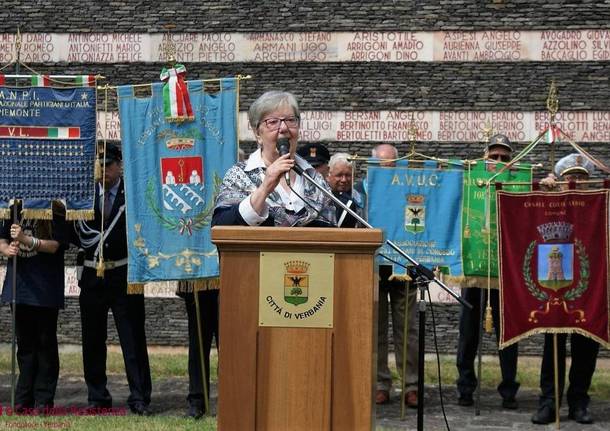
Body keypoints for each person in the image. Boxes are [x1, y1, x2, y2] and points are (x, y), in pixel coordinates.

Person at [73, 143, 152, 415]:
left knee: (132, 340)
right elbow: (76, 235)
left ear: (119, 166)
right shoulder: (83, 196)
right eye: (100, 164)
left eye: (108, 164)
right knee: (92, 341)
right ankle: (97, 397)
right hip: (93, 276)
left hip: (123, 274)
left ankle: (139, 396)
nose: (103, 169)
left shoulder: (133, 197)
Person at [532, 153, 599, 425]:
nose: (575, 182)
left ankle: (579, 401)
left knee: (586, 348)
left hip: (590, 287)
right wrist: (541, 188)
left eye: (581, 178)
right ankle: (549, 401)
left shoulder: (599, 204)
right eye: (570, 177)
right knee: (553, 347)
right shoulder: (551, 201)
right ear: (561, 181)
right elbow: (525, 211)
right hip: (557, 289)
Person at [456, 134, 520, 409]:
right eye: (493, 157)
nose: (498, 162)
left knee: (508, 335)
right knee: (468, 333)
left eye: (504, 158)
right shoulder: (471, 179)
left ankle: (508, 390)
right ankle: (466, 387)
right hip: (475, 265)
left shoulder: (519, 183)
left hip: (506, 270)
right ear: (485, 157)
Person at [212, 90, 336, 227]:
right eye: (272, 122)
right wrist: (264, 188)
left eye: (290, 120)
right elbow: (221, 227)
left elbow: (331, 235)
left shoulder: (314, 178)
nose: (283, 128)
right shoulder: (240, 175)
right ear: (257, 133)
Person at [364, 143, 419, 408]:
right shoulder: (365, 191)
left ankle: (411, 385)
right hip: (374, 267)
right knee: (377, 329)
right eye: (383, 166)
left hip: (403, 267)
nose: (388, 170)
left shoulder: (408, 188)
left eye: (392, 165)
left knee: (406, 329)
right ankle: (380, 383)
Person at [0, 205, 69, 412]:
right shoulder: (12, 209)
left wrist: (25, 240)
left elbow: (56, 245)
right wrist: (6, 249)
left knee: (45, 344)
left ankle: (44, 399)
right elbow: (1, 239)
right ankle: (23, 397)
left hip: (45, 287)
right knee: (25, 345)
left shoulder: (56, 209)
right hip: (19, 286)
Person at [178, 282, 219, 419]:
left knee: (231, 348)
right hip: (198, 280)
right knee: (197, 345)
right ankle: (197, 400)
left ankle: (232, 397)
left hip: (231, 278)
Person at [325, 152, 365, 228]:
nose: (344, 180)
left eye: (348, 175)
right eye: (339, 175)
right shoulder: (320, 198)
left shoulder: (361, 200)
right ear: (328, 175)